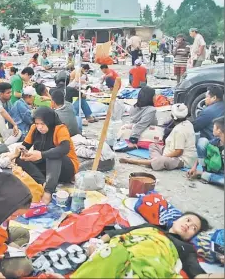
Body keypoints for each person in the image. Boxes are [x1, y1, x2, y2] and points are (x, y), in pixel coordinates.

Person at [73, 212, 222, 279]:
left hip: (150, 268)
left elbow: (198, 275)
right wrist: (97, 243)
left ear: (191, 237)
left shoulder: (187, 248)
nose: (188, 225)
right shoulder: (151, 227)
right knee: (112, 252)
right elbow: (119, 233)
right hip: (120, 253)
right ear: (176, 220)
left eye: (194, 228)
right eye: (188, 220)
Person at [17, 107, 79, 205]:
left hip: (65, 168)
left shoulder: (60, 129)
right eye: (37, 124)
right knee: (20, 159)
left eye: (42, 124)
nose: (39, 127)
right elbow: (25, 145)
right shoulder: (34, 128)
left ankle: (48, 191)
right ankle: (43, 182)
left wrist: (41, 154)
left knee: (53, 154)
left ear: (49, 121)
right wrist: (22, 151)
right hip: (46, 168)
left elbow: (64, 149)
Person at [120, 103, 197, 171]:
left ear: (173, 117)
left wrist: (165, 156)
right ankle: (155, 161)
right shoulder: (187, 123)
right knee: (153, 145)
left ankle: (134, 161)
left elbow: (179, 152)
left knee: (160, 160)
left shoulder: (179, 130)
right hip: (171, 150)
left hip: (182, 159)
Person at [118, 86, 157, 151]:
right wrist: (133, 140)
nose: (155, 97)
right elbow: (141, 125)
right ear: (150, 97)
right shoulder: (151, 110)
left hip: (130, 129)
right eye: (154, 95)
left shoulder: (134, 106)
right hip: (140, 132)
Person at [188, 116, 224, 186]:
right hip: (215, 168)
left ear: (219, 131)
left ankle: (203, 174)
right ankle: (205, 171)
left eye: (214, 127)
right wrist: (194, 166)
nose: (212, 129)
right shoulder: (216, 141)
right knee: (202, 142)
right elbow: (203, 147)